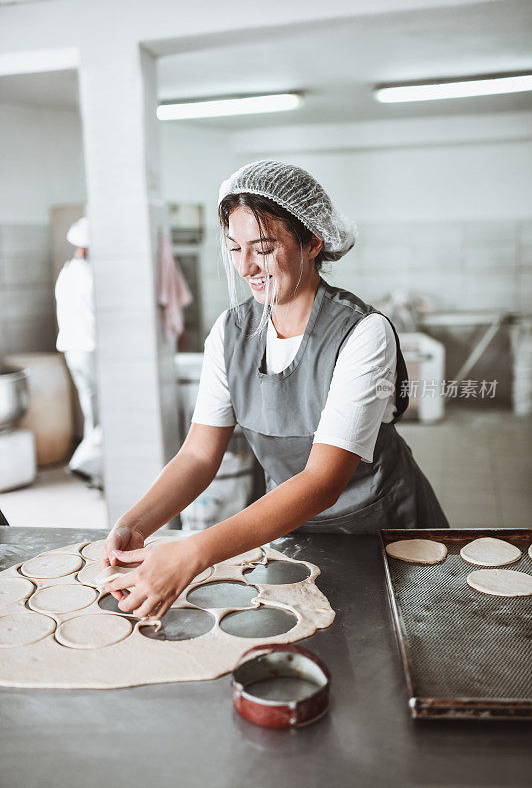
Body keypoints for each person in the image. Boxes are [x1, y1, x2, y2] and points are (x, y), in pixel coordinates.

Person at [101, 160, 448, 619]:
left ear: (312, 242)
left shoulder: (363, 333)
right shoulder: (230, 333)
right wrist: (136, 523)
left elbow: (323, 481)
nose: (246, 266)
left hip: (384, 535)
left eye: (262, 248)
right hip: (291, 528)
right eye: (234, 248)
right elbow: (200, 456)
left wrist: (193, 553)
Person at [55, 216, 103, 489]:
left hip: (72, 349)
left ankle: (95, 472)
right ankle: (84, 462)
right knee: (106, 412)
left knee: (92, 409)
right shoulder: (90, 276)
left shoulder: (67, 273)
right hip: (91, 349)